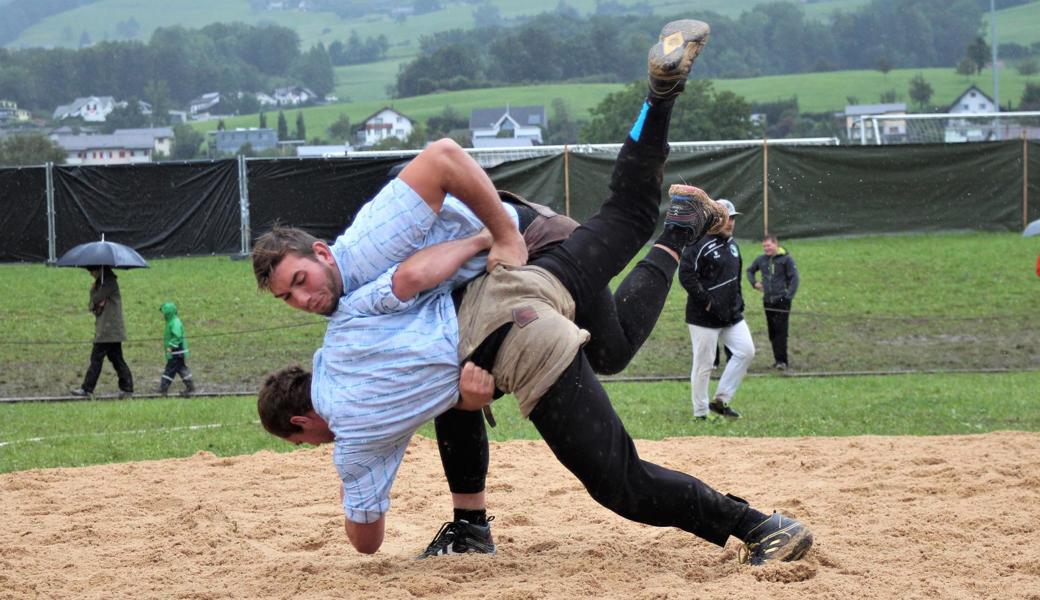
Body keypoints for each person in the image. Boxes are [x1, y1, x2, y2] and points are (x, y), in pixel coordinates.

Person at [257, 19, 812, 566]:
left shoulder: (368, 257)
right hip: (506, 289)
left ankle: (760, 527)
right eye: (287, 298)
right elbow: (411, 287)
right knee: (625, 238)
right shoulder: (348, 321)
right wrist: (461, 384)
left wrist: (494, 233)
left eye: (299, 282)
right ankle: (661, 102)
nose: (302, 300)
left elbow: (365, 540)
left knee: (620, 480)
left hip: (524, 255)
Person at [679, 199, 754, 420]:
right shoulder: (697, 243)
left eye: (732, 218)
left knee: (745, 351)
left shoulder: (732, 245)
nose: (730, 222)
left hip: (731, 315)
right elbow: (685, 275)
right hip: (703, 317)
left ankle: (721, 401)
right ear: (713, 219)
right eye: (725, 218)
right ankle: (700, 412)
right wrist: (708, 301)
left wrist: (738, 301)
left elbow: (736, 279)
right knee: (705, 365)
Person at [70, 267, 134, 398]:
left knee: (96, 358)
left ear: (100, 270)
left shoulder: (108, 283)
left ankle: (87, 389)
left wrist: (93, 289)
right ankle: (127, 388)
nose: (90, 274)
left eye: (92, 270)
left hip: (108, 330)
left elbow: (95, 299)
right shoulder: (104, 282)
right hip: (110, 330)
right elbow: (91, 305)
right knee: (116, 359)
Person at [747, 235, 800, 370]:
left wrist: (788, 297)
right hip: (767, 301)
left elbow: (794, 278)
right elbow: (750, 270)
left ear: (776, 244)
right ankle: (777, 360)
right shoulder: (761, 260)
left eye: (769, 245)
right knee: (772, 331)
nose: (766, 248)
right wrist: (755, 283)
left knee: (781, 331)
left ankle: (783, 361)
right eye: (764, 246)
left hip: (782, 301)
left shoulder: (786, 259)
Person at [155, 301, 196, 397]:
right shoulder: (172, 321)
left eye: (164, 313)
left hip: (176, 351)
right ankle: (190, 387)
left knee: (169, 370)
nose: (162, 315)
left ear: (168, 313)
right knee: (181, 368)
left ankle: (163, 388)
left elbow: (177, 336)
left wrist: (171, 346)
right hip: (178, 351)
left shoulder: (174, 322)